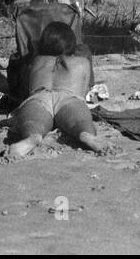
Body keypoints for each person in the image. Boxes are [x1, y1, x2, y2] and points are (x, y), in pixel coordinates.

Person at [6, 22, 107, 158]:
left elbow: (27, 88)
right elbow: (83, 93)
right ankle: (85, 134)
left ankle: (32, 137)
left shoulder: (36, 61)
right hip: (69, 97)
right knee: (80, 120)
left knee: (33, 121)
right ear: (72, 43)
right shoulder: (82, 62)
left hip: (39, 96)